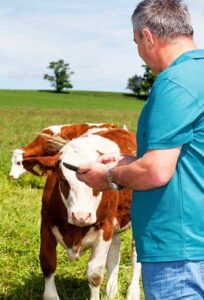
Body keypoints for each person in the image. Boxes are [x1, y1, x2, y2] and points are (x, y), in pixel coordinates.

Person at [76, 0, 204, 299]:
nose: (140, 52)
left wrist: (108, 176)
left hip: (179, 249)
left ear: (148, 36)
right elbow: (190, 156)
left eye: (137, 42)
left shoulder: (175, 82)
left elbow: (157, 172)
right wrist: (129, 161)